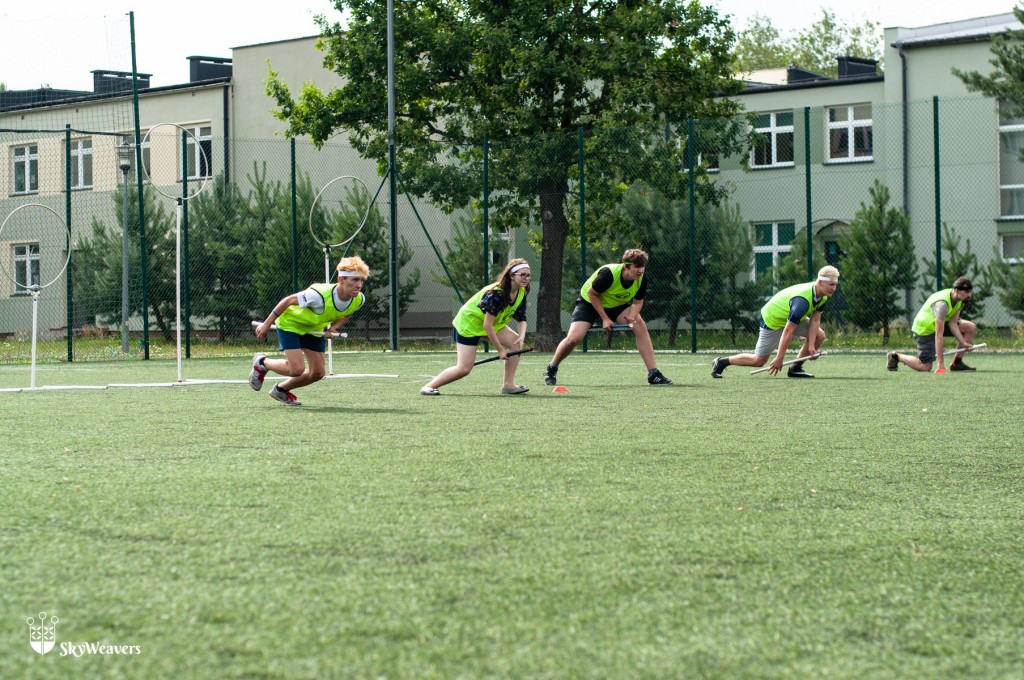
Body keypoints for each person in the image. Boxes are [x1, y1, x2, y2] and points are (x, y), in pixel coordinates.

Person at [248, 256, 369, 405]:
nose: (359, 285)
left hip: (313, 329)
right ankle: (262, 363)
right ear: (341, 279)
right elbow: (288, 300)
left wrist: (333, 328)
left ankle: (280, 390)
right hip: (291, 324)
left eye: (361, 280)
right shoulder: (318, 295)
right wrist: (266, 324)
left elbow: (346, 314)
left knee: (318, 373)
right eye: (354, 280)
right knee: (297, 369)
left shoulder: (358, 299)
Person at [544, 248, 672, 386]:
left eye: (643, 266)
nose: (641, 270)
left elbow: (638, 302)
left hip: (616, 304)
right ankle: (552, 368)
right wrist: (605, 318)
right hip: (589, 302)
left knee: (639, 324)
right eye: (637, 266)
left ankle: (653, 374)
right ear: (626, 266)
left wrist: (632, 317)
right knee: (573, 339)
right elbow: (592, 294)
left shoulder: (641, 279)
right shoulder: (608, 274)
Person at [421, 258, 532, 396]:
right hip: (469, 325)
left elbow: (521, 317)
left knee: (516, 344)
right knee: (464, 369)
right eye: (522, 274)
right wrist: (500, 350)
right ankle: (429, 386)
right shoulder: (497, 293)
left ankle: (508, 385)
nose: (526, 278)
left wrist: (521, 335)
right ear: (511, 276)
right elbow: (487, 325)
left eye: (528, 275)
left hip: (492, 325)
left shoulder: (521, 292)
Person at [711, 265, 840, 379]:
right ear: (819, 282)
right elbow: (788, 330)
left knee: (820, 335)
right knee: (759, 361)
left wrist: (811, 346)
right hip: (773, 320)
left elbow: (815, 319)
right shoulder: (802, 301)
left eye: (835, 285)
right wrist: (779, 358)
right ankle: (721, 362)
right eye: (831, 285)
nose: (834, 288)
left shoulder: (822, 295)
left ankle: (795, 368)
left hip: (791, 318)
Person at [887, 277, 977, 373]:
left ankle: (957, 363)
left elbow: (953, 324)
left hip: (938, 324)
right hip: (924, 329)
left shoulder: (959, 299)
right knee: (926, 367)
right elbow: (939, 335)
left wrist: (963, 342)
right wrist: (941, 365)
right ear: (956, 290)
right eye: (966, 291)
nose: (969, 295)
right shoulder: (942, 305)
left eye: (970, 291)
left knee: (970, 327)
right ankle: (896, 356)